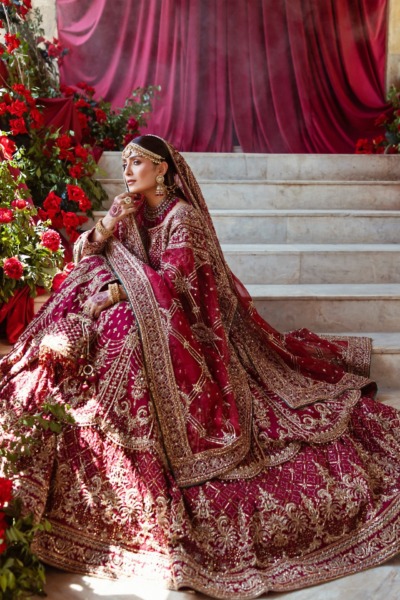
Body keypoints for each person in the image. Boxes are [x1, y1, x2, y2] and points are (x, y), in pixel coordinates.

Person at [0, 134, 399, 599]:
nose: (128, 172)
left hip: (191, 328)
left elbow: (176, 283)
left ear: (164, 169)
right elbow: (85, 257)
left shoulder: (182, 218)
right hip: (150, 314)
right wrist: (108, 227)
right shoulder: (130, 210)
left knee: (124, 327)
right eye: (125, 163)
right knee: (100, 301)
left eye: (138, 163)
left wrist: (112, 294)